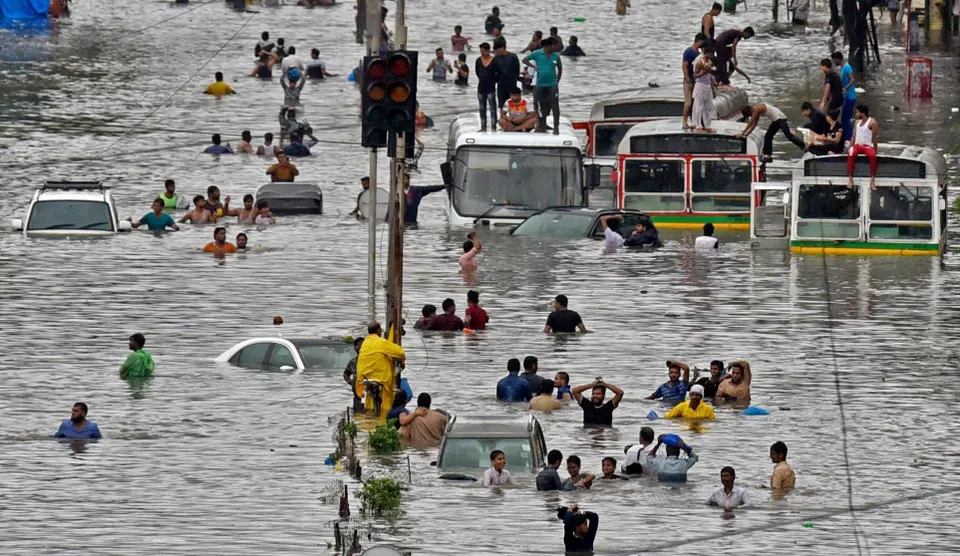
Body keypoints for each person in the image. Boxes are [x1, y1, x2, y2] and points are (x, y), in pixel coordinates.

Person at [356, 322, 405, 416]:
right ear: (378, 331)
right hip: (380, 378)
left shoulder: (365, 343)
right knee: (386, 399)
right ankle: (384, 414)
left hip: (364, 378)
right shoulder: (380, 342)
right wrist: (402, 361)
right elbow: (400, 352)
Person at [523, 37, 562, 134]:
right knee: (539, 106)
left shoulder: (556, 56)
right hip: (540, 84)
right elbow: (524, 60)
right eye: (554, 45)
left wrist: (557, 80)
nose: (555, 47)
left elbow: (560, 68)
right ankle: (541, 125)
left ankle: (556, 127)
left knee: (554, 106)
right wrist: (533, 66)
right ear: (548, 46)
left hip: (552, 85)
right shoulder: (537, 53)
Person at [739, 104, 806, 161]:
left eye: (749, 115)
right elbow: (754, 124)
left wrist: (742, 133)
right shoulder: (756, 110)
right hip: (776, 120)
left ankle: (804, 146)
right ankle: (768, 155)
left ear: (750, 112)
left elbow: (751, 123)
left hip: (780, 118)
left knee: (788, 135)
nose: (751, 116)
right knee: (768, 136)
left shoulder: (757, 108)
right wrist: (746, 134)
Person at [847, 105, 879, 190]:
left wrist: (875, 150)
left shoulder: (872, 123)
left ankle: (872, 180)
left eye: (857, 112)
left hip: (866, 146)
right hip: (857, 145)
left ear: (862, 113)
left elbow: (874, 137)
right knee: (851, 154)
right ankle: (850, 178)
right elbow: (853, 136)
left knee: (872, 156)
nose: (856, 114)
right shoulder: (857, 122)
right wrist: (850, 147)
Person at [682, 33, 706, 130]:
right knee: (688, 102)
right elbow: (684, 66)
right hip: (689, 81)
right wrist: (687, 79)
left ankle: (695, 121)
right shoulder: (689, 51)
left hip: (696, 81)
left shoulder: (698, 53)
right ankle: (684, 121)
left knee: (695, 102)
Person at [832, 50, 857, 142]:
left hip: (850, 96)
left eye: (834, 60)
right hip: (846, 96)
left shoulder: (847, 67)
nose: (834, 63)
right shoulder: (842, 68)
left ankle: (849, 137)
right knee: (844, 117)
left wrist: (845, 88)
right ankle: (847, 136)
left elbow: (853, 79)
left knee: (846, 118)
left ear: (838, 59)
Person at [692, 45, 716, 133]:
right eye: (711, 53)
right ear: (707, 53)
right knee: (699, 106)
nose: (712, 55)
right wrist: (703, 72)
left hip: (708, 86)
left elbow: (710, 74)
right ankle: (698, 125)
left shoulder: (709, 62)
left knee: (708, 106)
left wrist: (714, 82)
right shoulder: (699, 62)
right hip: (700, 85)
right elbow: (695, 76)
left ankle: (707, 125)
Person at [475, 42, 499, 131]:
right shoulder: (478, 60)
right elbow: (477, 72)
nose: (482, 53)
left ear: (488, 51)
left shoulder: (494, 61)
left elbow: (498, 73)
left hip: (491, 87)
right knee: (482, 108)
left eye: (484, 51)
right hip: (481, 87)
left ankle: (493, 126)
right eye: (481, 52)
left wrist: (493, 81)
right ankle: (483, 126)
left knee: (492, 108)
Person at [493, 38, 520, 110]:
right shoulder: (496, 58)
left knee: (513, 106)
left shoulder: (513, 57)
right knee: (502, 107)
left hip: (512, 86)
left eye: (497, 49)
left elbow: (517, 71)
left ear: (502, 47)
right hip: (501, 86)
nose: (496, 52)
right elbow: (494, 72)